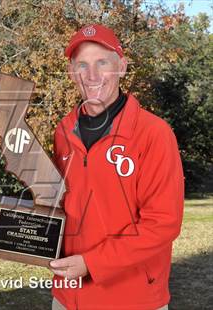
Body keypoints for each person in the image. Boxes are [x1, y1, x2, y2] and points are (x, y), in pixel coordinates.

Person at [49, 24, 184, 310]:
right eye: (82, 65)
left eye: (102, 63)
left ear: (121, 67)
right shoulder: (63, 131)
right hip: (66, 296)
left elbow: (163, 223)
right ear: (72, 73)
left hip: (131, 298)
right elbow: (59, 202)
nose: (92, 75)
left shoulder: (154, 134)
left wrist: (91, 263)